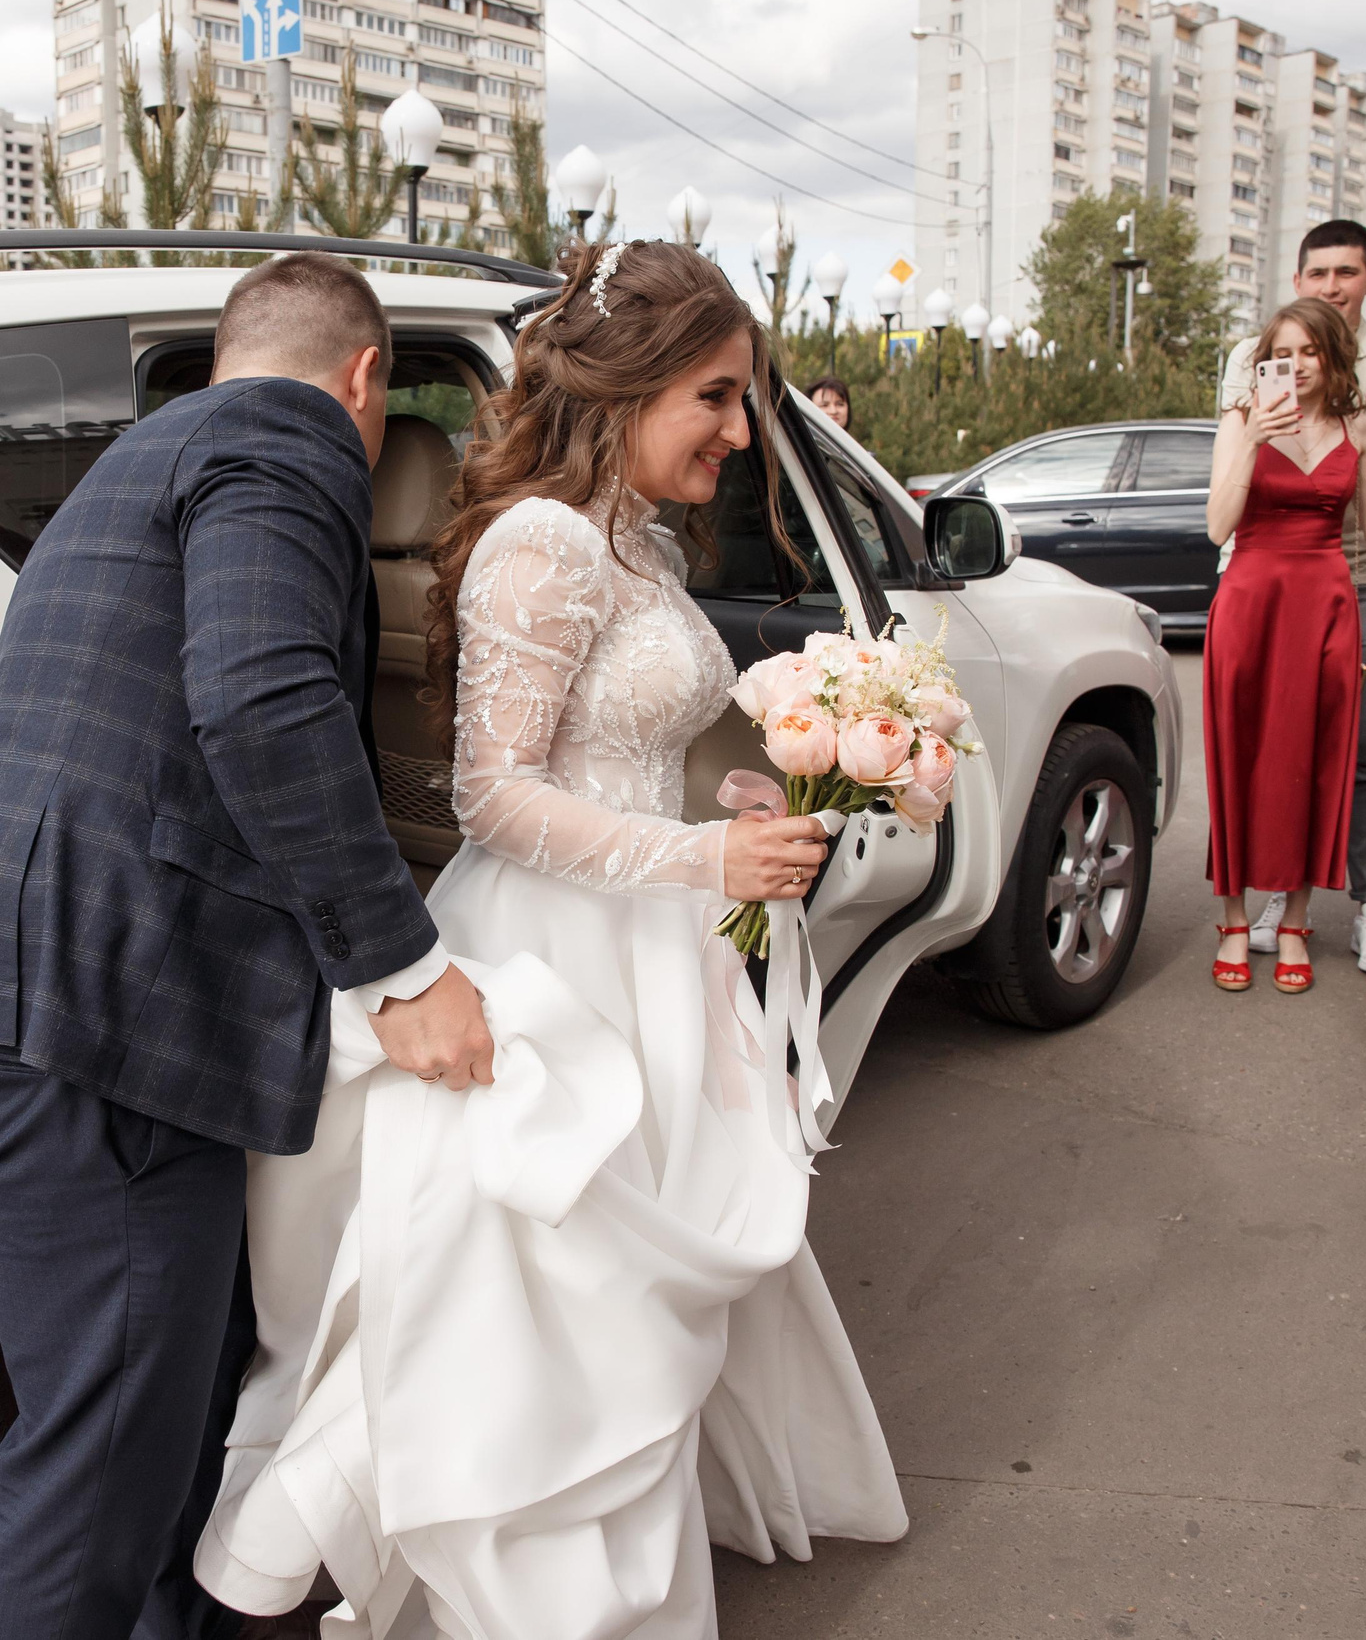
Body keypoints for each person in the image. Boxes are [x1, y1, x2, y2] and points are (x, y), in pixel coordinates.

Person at [197, 240, 906, 1635]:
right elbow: (495, 793)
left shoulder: (634, 537)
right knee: (536, 1298)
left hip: (651, 943)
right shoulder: (543, 544)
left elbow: (614, 755)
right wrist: (707, 851)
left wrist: (744, 809)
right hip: (554, 960)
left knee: (629, 1289)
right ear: (627, 386)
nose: (737, 429)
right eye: (714, 395)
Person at [0, 253, 502, 1640]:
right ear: (362, 379)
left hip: (41, 992)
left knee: (165, 1421)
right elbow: (265, 699)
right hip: (100, 1015)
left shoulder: (153, 449)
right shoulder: (283, 444)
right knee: (98, 1469)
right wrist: (399, 967)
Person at [1216, 220, 1366, 975]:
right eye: (1279, 355)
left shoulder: (1358, 422)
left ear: (1332, 357)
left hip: (1330, 599)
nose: (1293, 366)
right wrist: (1252, 437)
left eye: (1307, 353)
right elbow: (1217, 523)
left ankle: (1297, 921)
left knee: (1323, 757)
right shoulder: (1243, 415)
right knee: (1241, 751)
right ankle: (1233, 916)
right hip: (1252, 593)